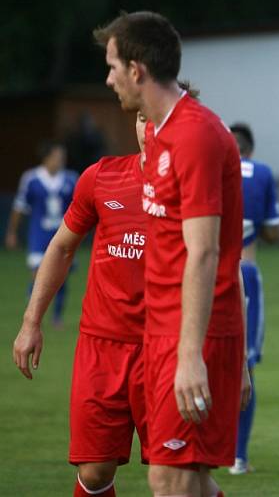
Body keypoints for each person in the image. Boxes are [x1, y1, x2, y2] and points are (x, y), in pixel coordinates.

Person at [94, 11, 248, 497]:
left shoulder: (195, 136)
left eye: (113, 65)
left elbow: (204, 254)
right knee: (180, 477)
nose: (109, 77)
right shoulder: (160, 133)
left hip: (193, 336)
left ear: (137, 70)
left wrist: (189, 356)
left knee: (172, 479)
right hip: (163, 332)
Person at [12, 113, 149, 497]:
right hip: (101, 346)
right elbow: (62, 246)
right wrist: (30, 322)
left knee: (177, 479)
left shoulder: (195, 186)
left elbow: (222, 268)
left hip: (165, 348)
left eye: (158, 116)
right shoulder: (101, 177)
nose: (148, 126)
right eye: (141, 116)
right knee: (93, 473)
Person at [228, 122, 279, 475]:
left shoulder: (208, 169)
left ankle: (188, 450)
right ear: (250, 148)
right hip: (245, 270)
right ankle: (238, 457)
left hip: (206, 274)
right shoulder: (261, 173)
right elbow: (274, 231)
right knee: (244, 368)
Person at [5, 142, 78, 327]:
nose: (60, 160)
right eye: (57, 156)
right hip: (39, 235)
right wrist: (12, 232)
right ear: (46, 158)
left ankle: (57, 317)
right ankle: (32, 315)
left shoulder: (71, 178)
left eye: (62, 157)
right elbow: (19, 206)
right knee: (38, 274)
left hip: (63, 234)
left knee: (62, 275)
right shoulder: (31, 178)